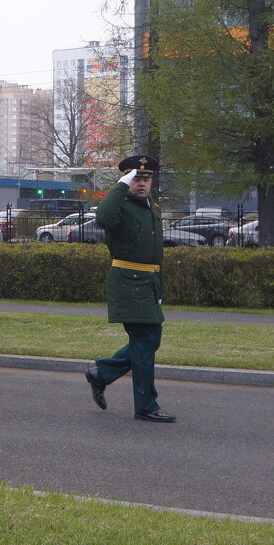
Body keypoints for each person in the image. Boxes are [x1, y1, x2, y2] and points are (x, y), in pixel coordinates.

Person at [84, 155, 175, 423]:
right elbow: (102, 218)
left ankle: (102, 373)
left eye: (146, 178)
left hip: (147, 285)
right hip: (128, 284)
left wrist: (158, 289)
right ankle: (146, 405)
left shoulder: (151, 207)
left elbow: (154, 254)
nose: (142, 183)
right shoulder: (119, 206)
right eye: (136, 178)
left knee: (149, 341)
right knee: (145, 343)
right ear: (126, 180)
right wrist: (120, 187)